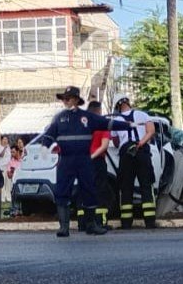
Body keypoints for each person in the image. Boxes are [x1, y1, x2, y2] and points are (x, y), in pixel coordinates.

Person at [44, 86, 134, 237]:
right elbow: (48, 136)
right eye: (63, 99)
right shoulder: (59, 118)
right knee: (62, 191)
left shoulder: (88, 117)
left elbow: (108, 123)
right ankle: (64, 227)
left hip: (84, 159)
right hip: (66, 159)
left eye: (67, 98)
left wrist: (129, 125)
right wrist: (44, 151)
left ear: (75, 100)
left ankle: (91, 225)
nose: (65, 102)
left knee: (89, 190)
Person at [112, 93, 156, 229]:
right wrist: (140, 144)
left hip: (126, 154)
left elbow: (115, 141)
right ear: (128, 102)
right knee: (146, 186)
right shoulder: (142, 115)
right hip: (142, 152)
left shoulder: (116, 120)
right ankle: (149, 222)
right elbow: (151, 131)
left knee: (126, 188)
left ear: (118, 106)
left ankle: (126, 223)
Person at [87, 101, 117, 229]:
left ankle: (84, 222)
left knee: (85, 191)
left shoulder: (82, 125)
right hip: (97, 161)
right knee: (100, 191)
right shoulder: (101, 124)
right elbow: (105, 145)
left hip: (83, 162)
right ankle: (100, 222)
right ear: (99, 111)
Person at [7, 142, 23, 216]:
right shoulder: (10, 162)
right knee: (15, 199)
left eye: (13, 152)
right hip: (15, 184)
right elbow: (9, 175)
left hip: (23, 184)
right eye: (11, 152)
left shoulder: (23, 160)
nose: (12, 153)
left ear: (17, 151)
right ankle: (15, 212)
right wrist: (13, 172)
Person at [0, 136, 12, 205]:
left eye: (6, 139)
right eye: (4, 139)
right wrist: (4, 148)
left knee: (8, 182)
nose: (5, 141)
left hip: (8, 167)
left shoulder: (9, 148)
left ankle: (8, 197)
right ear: (1, 140)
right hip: (1, 167)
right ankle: (2, 198)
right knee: (2, 183)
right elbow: (1, 155)